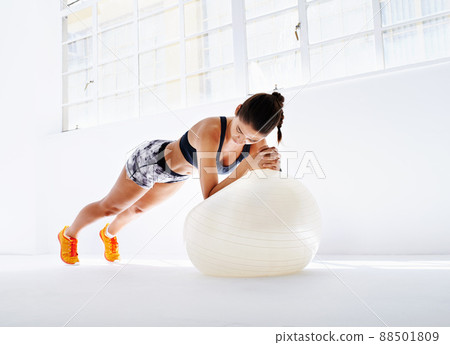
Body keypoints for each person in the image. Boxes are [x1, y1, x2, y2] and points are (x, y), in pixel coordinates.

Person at [58, 92, 285, 265]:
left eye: (249, 138)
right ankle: (68, 235)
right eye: (239, 131)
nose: (240, 139)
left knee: (137, 210)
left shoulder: (256, 142)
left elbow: (261, 181)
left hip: (177, 175)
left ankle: (108, 234)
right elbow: (209, 195)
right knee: (110, 207)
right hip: (152, 161)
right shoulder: (210, 131)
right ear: (237, 110)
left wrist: (269, 167)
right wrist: (247, 166)